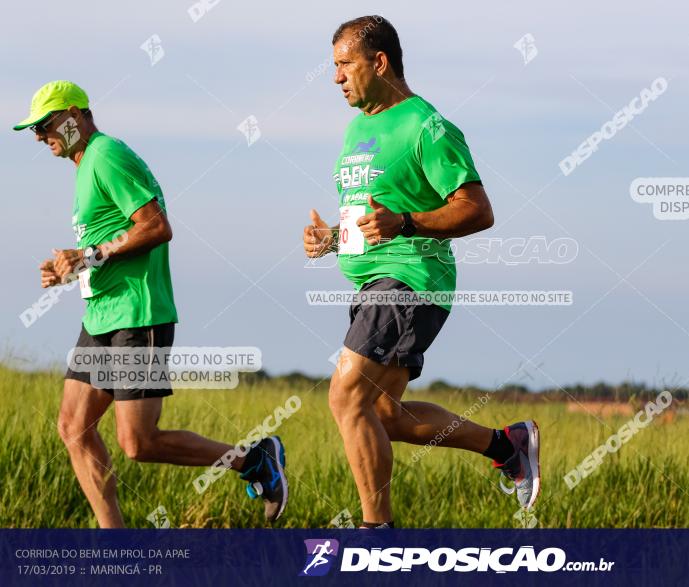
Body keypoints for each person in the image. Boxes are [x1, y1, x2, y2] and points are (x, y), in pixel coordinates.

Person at [14, 80, 288, 527]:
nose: (39, 136)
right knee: (73, 427)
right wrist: (73, 267)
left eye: (44, 125)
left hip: (137, 316)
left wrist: (88, 256)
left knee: (139, 443)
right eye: (33, 129)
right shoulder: (86, 166)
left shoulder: (105, 155)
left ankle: (254, 460)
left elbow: (156, 227)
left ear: (74, 114)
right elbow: (109, 245)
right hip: (102, 315)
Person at [302, 17, 541, 528]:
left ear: (379, 62)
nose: (336, 78)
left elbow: (477, 209)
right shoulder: (357, 129)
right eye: (334, 67)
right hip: (375, 283)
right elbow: (375, 215)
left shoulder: (426, 126)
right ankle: (507, 446)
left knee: (346, 396)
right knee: (383, 415)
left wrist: (408, 221)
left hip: (412, 279)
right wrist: (332, 241)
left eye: (345, 65)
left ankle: (376, 535)